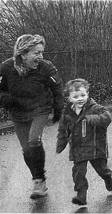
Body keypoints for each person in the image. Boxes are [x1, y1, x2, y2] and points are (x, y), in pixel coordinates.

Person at [0, 34, 64, 199]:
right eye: (36, 53)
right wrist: (7, 100)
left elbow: (57, 88)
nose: (40, 57)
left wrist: (58, 109)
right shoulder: (6, 68)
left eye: (42, 52)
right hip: (18, 112)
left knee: (34, 140)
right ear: (23, 53)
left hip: (40, 109)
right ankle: (39, 179)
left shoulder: (46, 67)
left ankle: (38, 180)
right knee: (27, 150)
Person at [56, 79, 112, 206]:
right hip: (78, 148)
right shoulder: (67, 113)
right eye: (75, 96)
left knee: (101, 169)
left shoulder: (95, 108)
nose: (80, 99)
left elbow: (107, 117)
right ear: (69, 98)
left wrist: (94, 119)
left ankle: (107, 176)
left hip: (95, 147)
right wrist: (61, 143)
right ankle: (81, 195)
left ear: (87, 94)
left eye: (83, 95)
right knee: (78, 173)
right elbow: (63, 130)